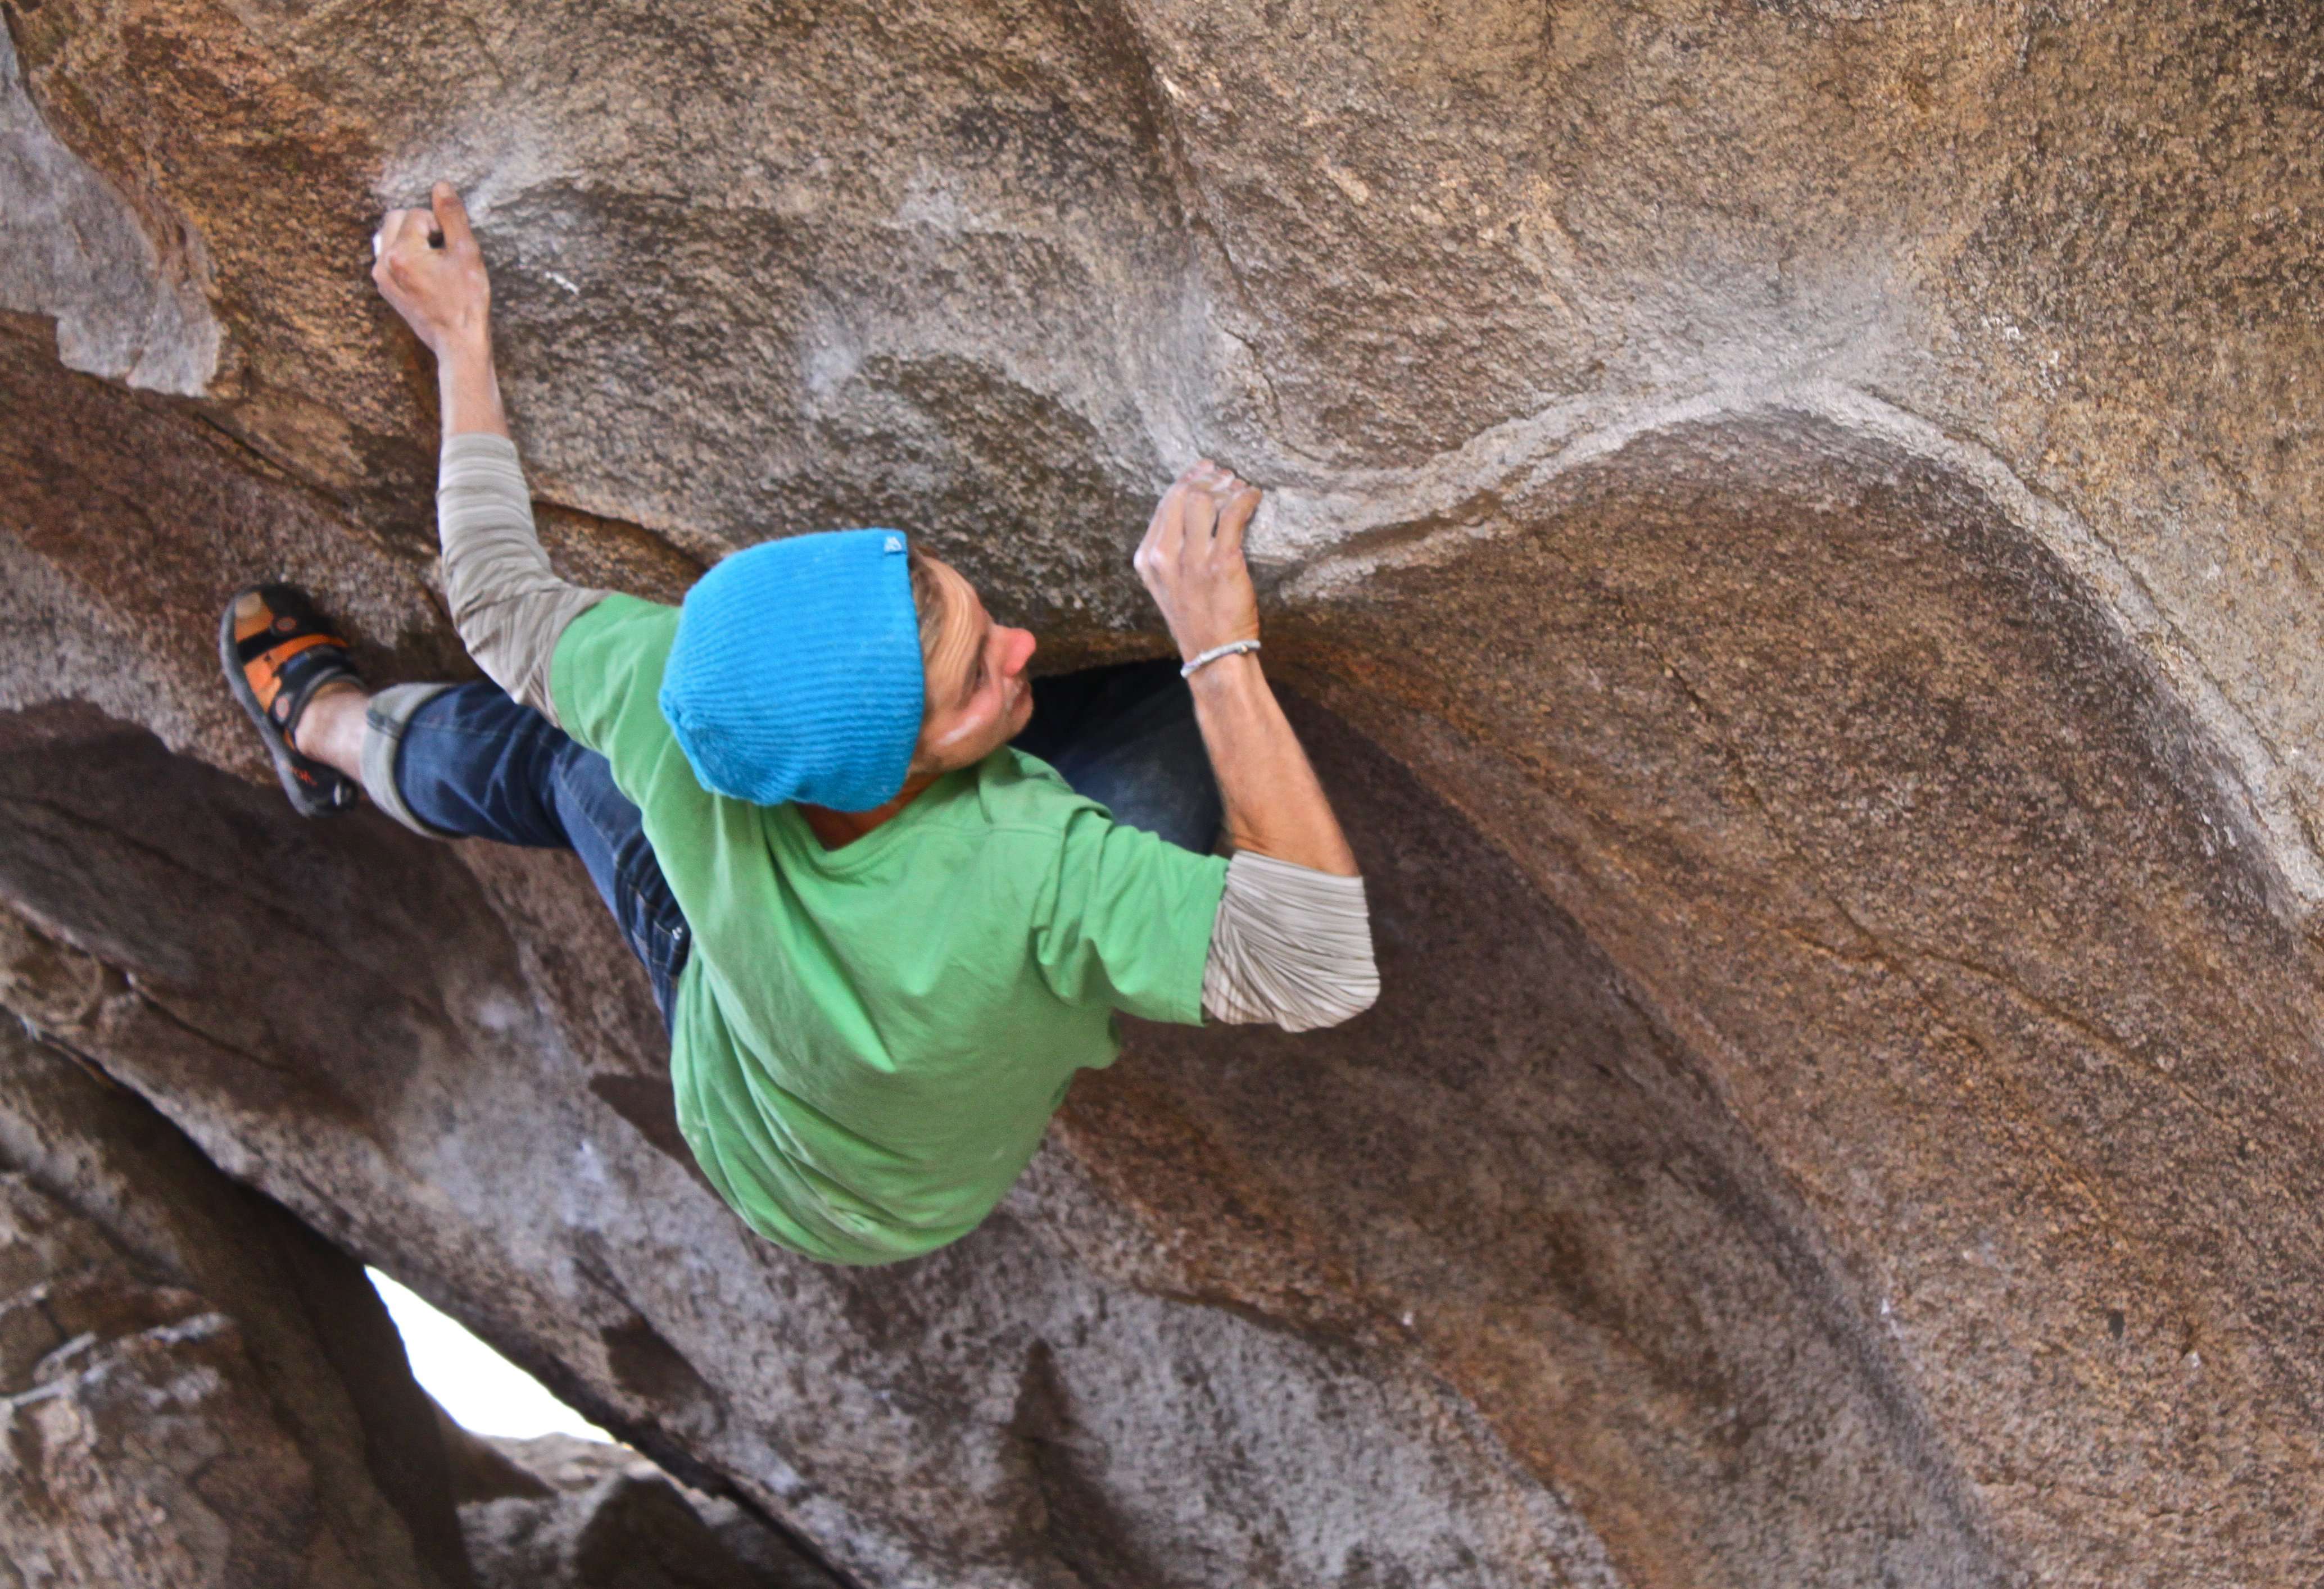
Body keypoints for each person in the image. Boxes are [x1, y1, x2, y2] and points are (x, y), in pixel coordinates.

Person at [220, 183, 1376, 1265]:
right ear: (888, 773)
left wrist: (461, 343)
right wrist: (1218, 649)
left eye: (977, 616)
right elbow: (1315, 967)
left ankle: (344, 732)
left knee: (566, 746)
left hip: (815, 1054)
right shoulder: (1031, 866)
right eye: (980, 678)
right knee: (1167, 737)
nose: (1023, 647)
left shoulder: (668, 695)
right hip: (769, 1137)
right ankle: (329, 733)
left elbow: (496, 599)